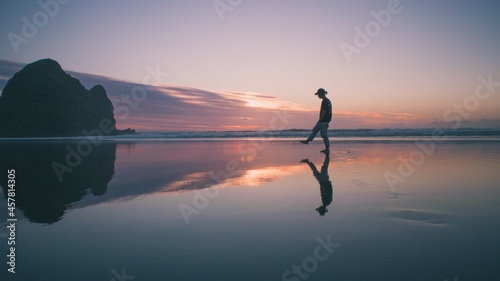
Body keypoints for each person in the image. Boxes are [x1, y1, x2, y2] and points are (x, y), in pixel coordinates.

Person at [300, 88, 332, 154]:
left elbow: (324, 111)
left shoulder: (324, 101)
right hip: (326, 120)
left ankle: (327, 149)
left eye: (318, 94)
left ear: (320, 94)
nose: (318, 96)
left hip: (323, 120)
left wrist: (320, 120)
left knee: (324, 135)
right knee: (315, 129)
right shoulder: (328, 101)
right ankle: (308, 141)